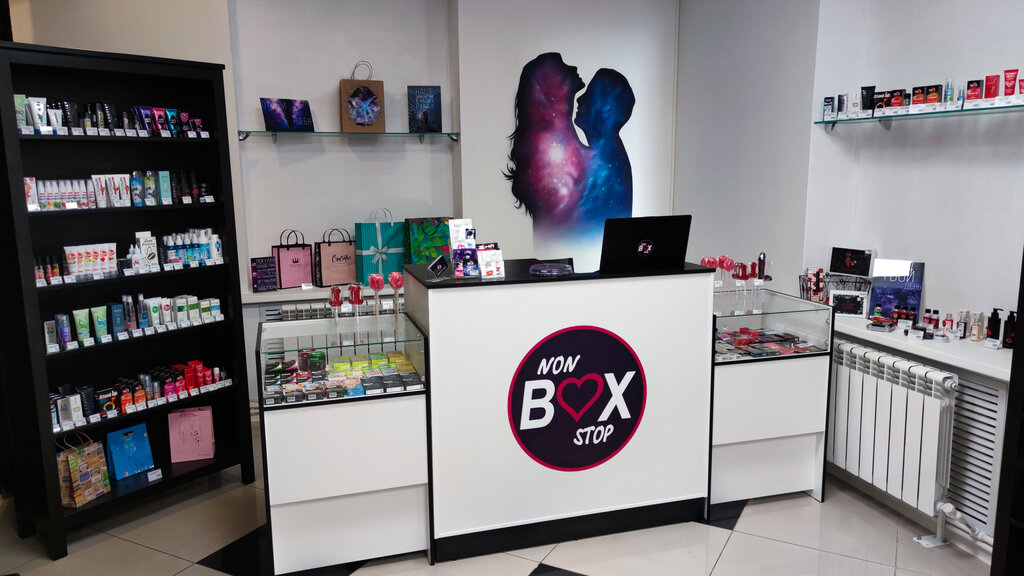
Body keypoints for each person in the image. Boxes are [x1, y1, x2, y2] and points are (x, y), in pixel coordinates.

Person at [504, 53, 591, 240]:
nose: (574, 68)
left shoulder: (553, 139)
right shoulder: (548, 146)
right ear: (548, 85)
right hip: (560, 252)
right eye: (563, 65)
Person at [574, 68, 635, 238]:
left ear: (607, 109)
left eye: (590, 95)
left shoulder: (604, 163)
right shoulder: (610, 156)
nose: (579, 99)